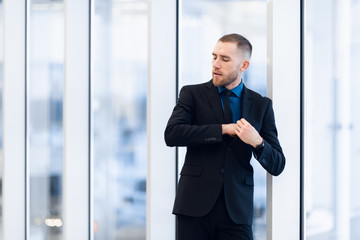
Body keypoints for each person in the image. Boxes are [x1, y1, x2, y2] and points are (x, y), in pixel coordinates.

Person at [164, 33, 285, 240]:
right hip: (194, 206)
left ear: (244, 65)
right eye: (214, 57)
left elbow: (278, 164)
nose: (216, 64)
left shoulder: (261, 105)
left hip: (237, 211)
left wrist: (257, 142)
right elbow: (172, 134)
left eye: (225, 59)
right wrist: (223, 129)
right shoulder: (192, 94)